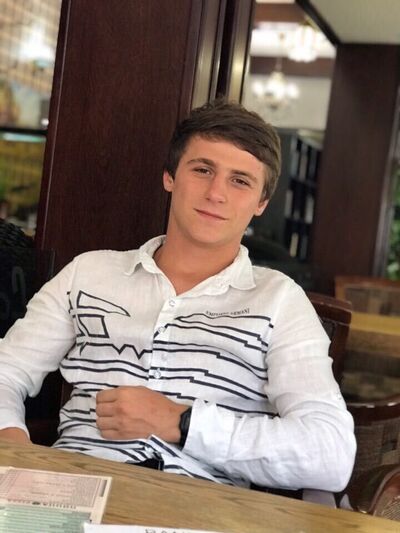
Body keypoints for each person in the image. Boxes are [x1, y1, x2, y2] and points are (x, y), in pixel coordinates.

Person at [0, 99, 356, 493]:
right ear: (170, 176)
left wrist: (182, 422)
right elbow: (6, 371)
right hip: (68, 496)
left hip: (199, 508)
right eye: (203, 170)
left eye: (240, 180)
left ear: (261, 203)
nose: (216, 193)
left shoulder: (280, 301)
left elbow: (331, 455)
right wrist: (11, 441)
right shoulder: (88, 273)